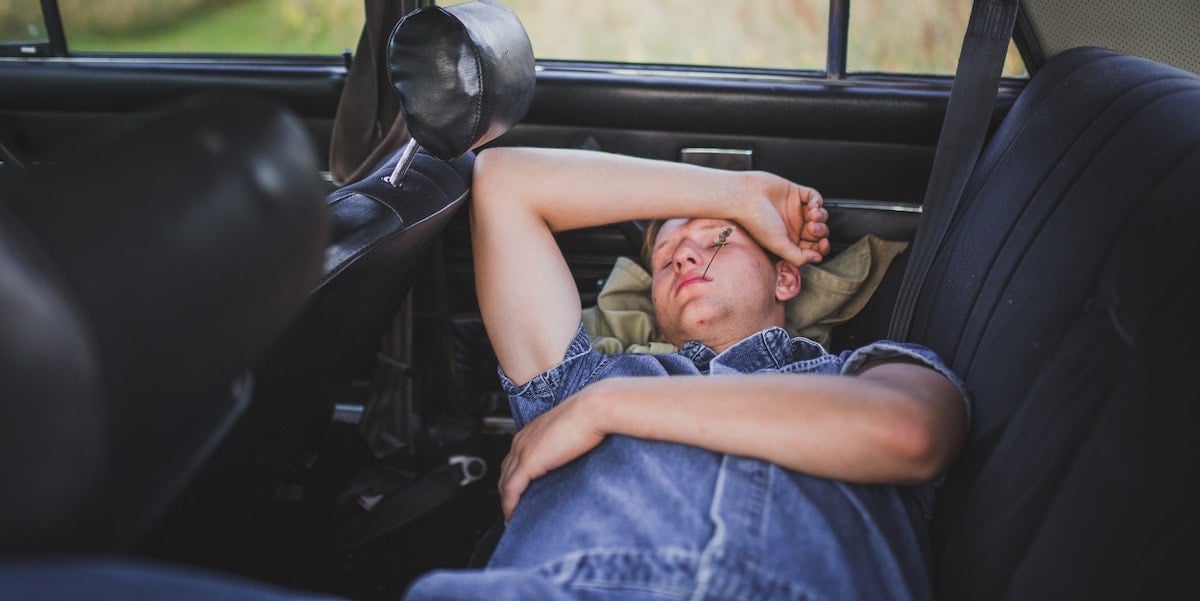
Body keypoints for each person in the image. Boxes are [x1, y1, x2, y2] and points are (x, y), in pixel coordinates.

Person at [403, 147, 969, 601]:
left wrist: (608, 408)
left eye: (718, 238)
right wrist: (736, 195)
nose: (684, 258)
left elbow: (912, 432)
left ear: (786, 278)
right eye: (666, 257)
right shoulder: (572, 382)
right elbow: (504, 182)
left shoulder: (860, 375)